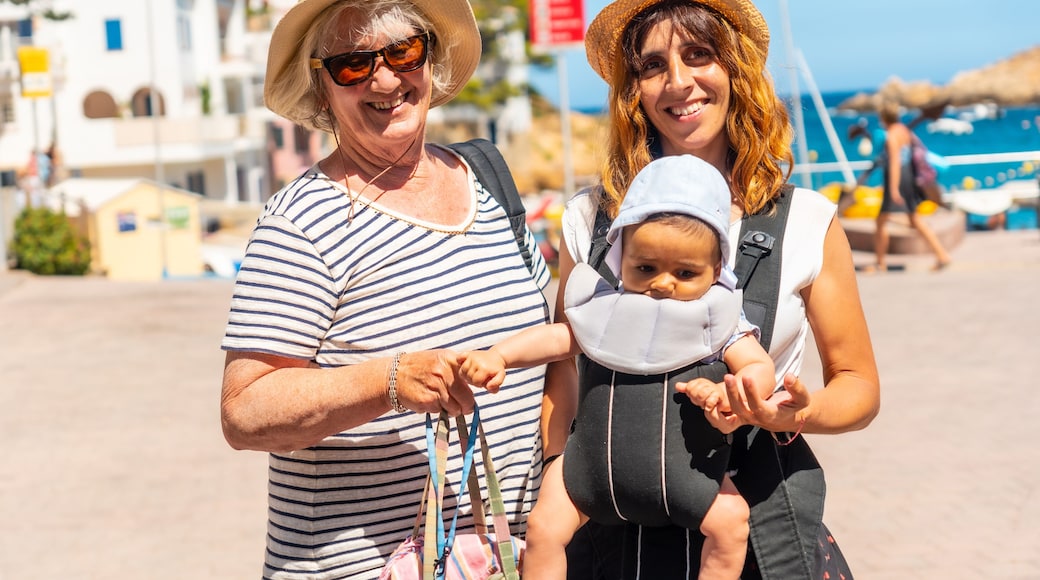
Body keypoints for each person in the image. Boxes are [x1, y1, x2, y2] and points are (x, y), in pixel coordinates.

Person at [542, 0, 882, 577]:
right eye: (652, 66)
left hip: (757, 533)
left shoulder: (806, 221)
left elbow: (860, 388)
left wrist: (790, 412)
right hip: (613, 531)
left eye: (699, 55)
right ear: (634, 91)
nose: (678, 82)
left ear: (736, 69)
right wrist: (556, 463)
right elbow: (564, 362)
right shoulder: (590, 219)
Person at [218, 1, 552, 578]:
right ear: (323, 89)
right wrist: (389, 381)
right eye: (353, 63)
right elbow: (244, 411)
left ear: (430, 58)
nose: (385, 78)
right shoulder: (301, 222)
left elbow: (551, 345)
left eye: (403, 51)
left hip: (505, 560)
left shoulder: (489, 182)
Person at [459, 155, 779, 579]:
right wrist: (499, 355)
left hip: (687, 478)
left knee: (732, 521)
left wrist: (735, 392)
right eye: (645, 268)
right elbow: (557, 339)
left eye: (685, 272)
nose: (662, 283)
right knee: (542, 528)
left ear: (717, 268)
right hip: (588, 471)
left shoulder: (717, 321)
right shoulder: (605, 312)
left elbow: (758, 364)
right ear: (620, 257)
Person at [871, 100, 953, 272]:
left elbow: (894, 163)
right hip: (909, 177)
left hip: (898, 180)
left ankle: (880, 263)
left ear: (883, 117)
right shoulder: (904, 131)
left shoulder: (892, 135)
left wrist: (892, 189)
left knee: (881, 221)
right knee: (913, 219)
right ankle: (942, 255)